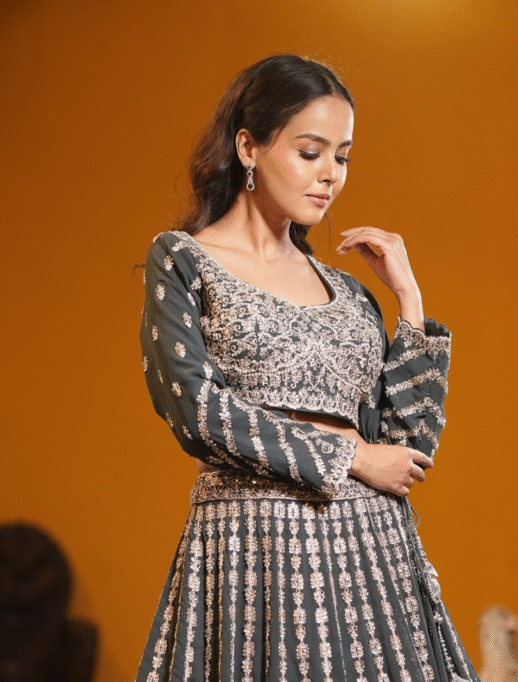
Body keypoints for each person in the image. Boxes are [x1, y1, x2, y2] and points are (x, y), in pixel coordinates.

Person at [137, 55, 480, 682]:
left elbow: (405, 449)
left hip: (374, 561)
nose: (330, 175)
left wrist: (409, 301)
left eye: (342, 158)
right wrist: (351, 455)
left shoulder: (349, 294)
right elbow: (198, 411)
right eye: (310, 152)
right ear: (249, 147)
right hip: (255, 551)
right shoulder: (185, 261)